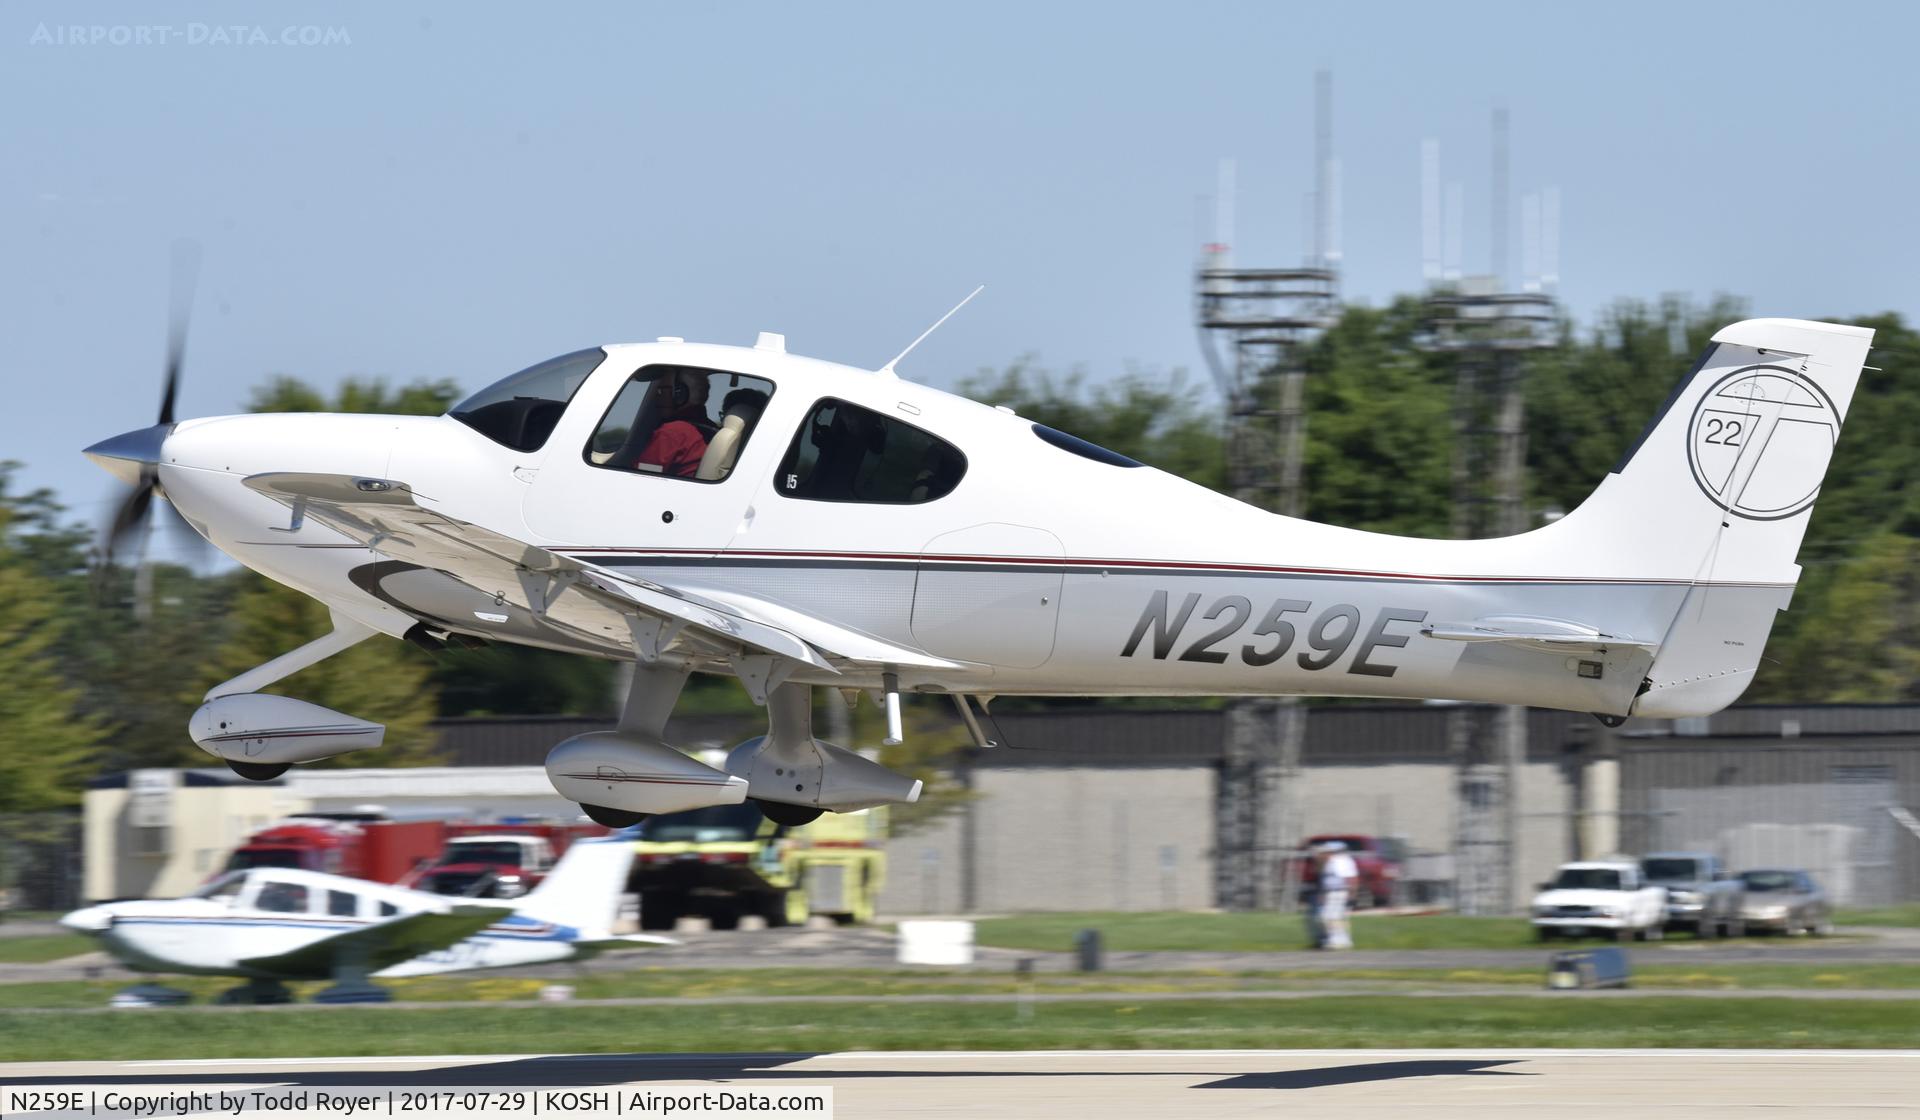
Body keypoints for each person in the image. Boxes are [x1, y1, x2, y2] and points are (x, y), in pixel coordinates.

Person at [634, 370, 714, 477]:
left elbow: (642, 476)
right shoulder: (710, 429)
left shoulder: (673, 432)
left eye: (662, 391)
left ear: (680, 395)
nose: (658, 397)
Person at [1313, 840, 1358, 950]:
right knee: (1330, 917)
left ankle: (1339, 941)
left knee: (1331, 917)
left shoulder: (1341, 861)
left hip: (1339, 892)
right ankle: (1340, 940)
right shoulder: (1329, 862)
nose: (1324, 853)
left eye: (1327, 851)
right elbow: (1325, 880)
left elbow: (1350, 878)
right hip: (1331, 893)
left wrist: (1352, 895)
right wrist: (1322, 894)